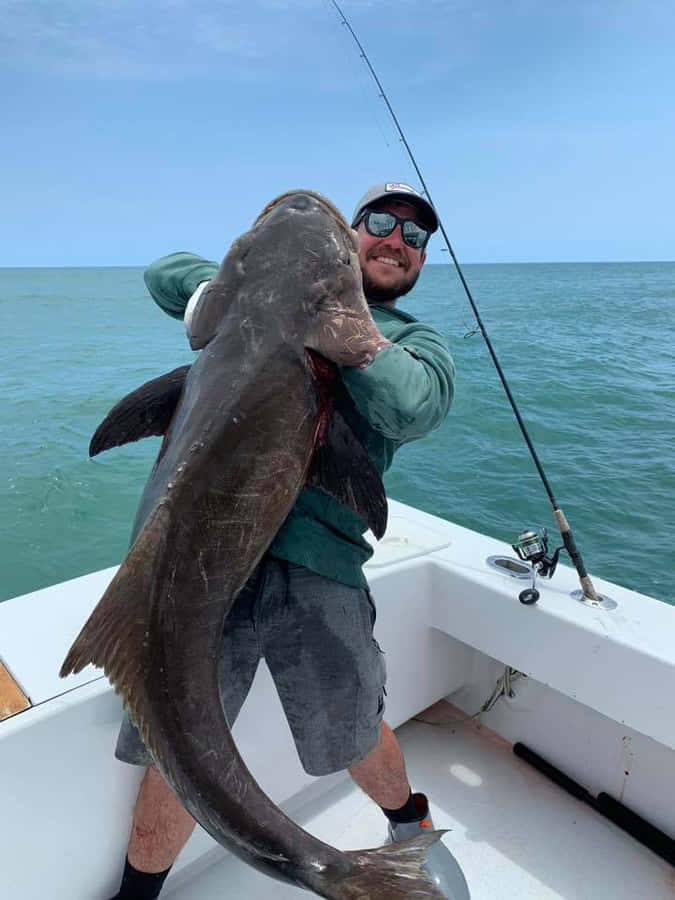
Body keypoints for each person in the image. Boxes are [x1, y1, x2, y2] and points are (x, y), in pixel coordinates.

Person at [109, 183, 465, 899]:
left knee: (352, 728)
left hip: (317, 562)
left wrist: (351, 333)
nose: (396, 239)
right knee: (172, 746)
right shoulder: (244, 298)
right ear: (355, 238)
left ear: (423, 261)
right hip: (196, 562)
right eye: (381, 223)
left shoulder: (410, 338)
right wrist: (232, 289)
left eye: (414, 236)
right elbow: (161, 273)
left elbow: (414, 405)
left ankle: (406, 821)